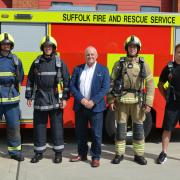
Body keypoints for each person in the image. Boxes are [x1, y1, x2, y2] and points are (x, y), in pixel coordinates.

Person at [107, 35, 155, 165]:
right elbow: (111, 82)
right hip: (121, 101)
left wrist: (149, 103)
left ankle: (139, 155)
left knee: (139, 129)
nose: (132, 49)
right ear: (126, 48)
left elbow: (150, 84)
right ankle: (119, 154)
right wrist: (111, 100)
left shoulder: (143, 64)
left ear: (138, 49)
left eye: (135, 47)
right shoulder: (119, 64)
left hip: (138, 102)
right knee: (121, 129)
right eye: (130, 46)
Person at [25, 35, 70, 163]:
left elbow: (67, 81)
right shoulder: (37, 62)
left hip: (56, 98)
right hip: (40, 98)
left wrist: (65, 98)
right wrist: (29, 96)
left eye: (50, 46)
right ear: (42, 48)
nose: (48, 48)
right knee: (39, 127)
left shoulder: (59, 62)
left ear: (53, 48)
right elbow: (30, 80)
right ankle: (39, 153)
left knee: (57, 127)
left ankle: (58, 153)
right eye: (45, 47)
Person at [69, 46, 110, 167]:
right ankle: (82, 154)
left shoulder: (103, 69)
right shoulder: (78, 69)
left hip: (96, 108)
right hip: (80, 107)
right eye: (88, 55)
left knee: (96, 134)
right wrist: (81, 99)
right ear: (85, 56)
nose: (90, 57)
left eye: (92, 54)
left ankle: (96, 157)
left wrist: (93, 101)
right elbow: (72, 86)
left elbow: (105, 88)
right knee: (81, 133)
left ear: (96, 56)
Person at [0, 32, 24, 161]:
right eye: (4, 44)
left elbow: (20, 77)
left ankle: (15, 153)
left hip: (11, 100)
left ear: (11, 45)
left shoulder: (15, 60)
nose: (6, 46)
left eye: (8, 44)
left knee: (14, 126)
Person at [156, 43, 180, 164]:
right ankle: (164, 153)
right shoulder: (169, 67)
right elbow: (160, 84)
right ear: (174, 54)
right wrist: (166, 96)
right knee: (167, 129)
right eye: (178, 52)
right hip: (173, 105)